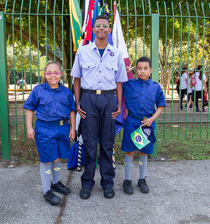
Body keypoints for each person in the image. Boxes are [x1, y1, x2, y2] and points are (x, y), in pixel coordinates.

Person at [70, 15, 127, 199]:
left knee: (107, 144)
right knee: (89, 144)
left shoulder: (116, 53)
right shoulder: (83, 51)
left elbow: (119, 82)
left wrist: (118, 105)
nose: (101, 28)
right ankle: (87, 183)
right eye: (98, 26)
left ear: (109, 30)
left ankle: (107, 183)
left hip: (109, 100)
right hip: (88, 100)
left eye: (105, 26)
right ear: (93, 29)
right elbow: (76, 80)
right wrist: (78, 103)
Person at [23, 62, 76, 206]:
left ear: (61, 74)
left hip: (62, 129)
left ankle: (56, 183)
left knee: (58, 158)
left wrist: (72, 128)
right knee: (47, 159)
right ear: (45, 75)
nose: (52, 75)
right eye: (49, 73)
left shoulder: (67, 92)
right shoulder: (38, 90)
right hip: (44, 129)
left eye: (56, 72)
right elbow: (29, 108)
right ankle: (46, 190)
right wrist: (29, 127)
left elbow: (72, 110)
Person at [121, 56, 166, 195]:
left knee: (143, 151)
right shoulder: (128, 85)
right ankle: (127, 180)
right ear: (136, 70)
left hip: (147, 123)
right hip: (132, 122)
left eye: (145, 68)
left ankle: (142, 179)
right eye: (139, 68)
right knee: (130, 151)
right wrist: (125, 72)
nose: (142, 71)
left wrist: (152, 119)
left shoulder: (155, 87)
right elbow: (116, 83)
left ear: (151, 70)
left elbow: (160, 106)